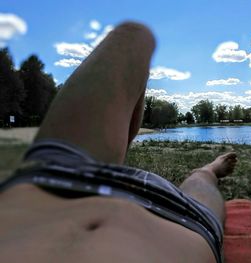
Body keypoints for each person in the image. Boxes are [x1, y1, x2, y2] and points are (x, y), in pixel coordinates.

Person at [0, 22, 237, 263]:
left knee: (133, 35)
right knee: (200, 178)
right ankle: (211, 168)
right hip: (181, 221)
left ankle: (108, 165)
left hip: (53, 177)